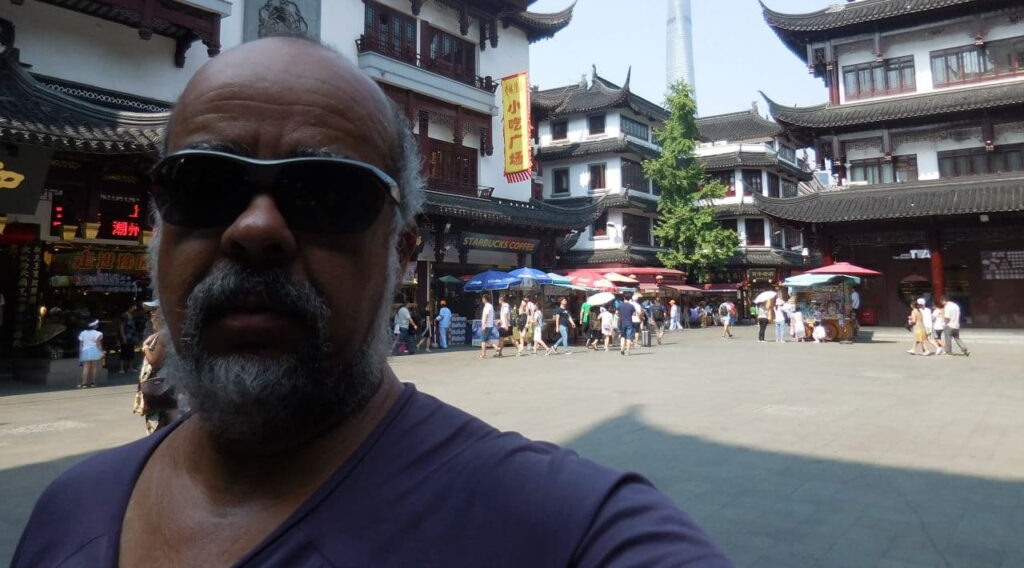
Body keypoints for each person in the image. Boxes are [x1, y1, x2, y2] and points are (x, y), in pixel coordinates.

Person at [13, 37, 729, 568]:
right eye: (206, 185)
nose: (256, 229)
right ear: (160, 227)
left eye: (326, 195)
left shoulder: (554, 526)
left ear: (402, 250)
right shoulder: (67, 512)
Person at [133, 300, 179, 434]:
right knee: (167, 416)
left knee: (164, 420)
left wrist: (145, 348)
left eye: (155, 311)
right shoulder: (165, 333)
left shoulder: (164, 335)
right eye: (151, 312)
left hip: (161, 384)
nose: (152, 315)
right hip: (166, 383)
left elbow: (155, 361)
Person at [77, 319, 103, 388]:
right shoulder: (97, 333)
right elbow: (98, 344)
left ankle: (84, 383)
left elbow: (81, 345)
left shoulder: (82, 333)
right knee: (94, 367)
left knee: (86, 367)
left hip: (85, 351)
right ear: (94, 326)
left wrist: (80, 353)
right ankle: (93, 383)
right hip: (94, 350)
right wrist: (101, 351)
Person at [118, 304, 138, 374]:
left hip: (131, 336)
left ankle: (131, 367)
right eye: (133, 307)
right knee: (123, 351)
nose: (134, 308)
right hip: (126, 335)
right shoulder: (124, 316)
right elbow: (121, 327)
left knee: (131, 351)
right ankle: (122, 368)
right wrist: (123, 337)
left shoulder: (132, 315)